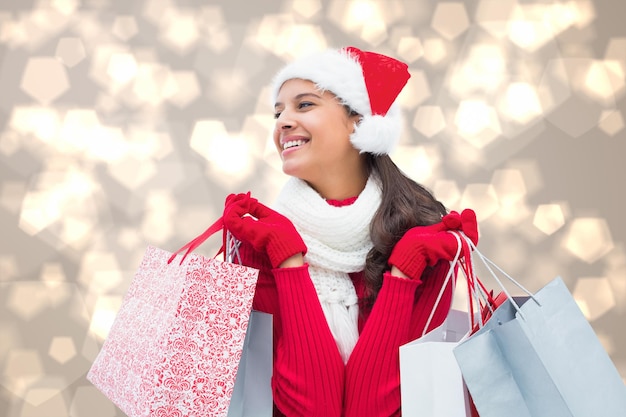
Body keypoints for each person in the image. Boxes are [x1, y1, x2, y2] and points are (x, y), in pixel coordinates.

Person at [222, 46, 478, 417]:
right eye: (278, 112)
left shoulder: (425, 240)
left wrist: (403, 273)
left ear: (358, 120)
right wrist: (289, 261)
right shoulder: (261, 242)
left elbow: (371, 410)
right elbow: (313, 410)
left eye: (304, 105)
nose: (282, 122)